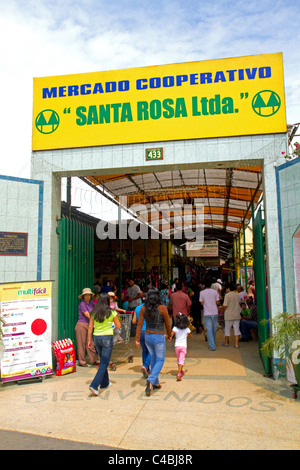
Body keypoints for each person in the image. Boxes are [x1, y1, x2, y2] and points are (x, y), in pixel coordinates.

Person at [135, 288, 172, 396]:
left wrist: (137, 339)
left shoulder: (143, 308)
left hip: (147, 336)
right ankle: (151, 380)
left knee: (153, 359)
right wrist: (169, 335)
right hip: (158, 336)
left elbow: (139, 324)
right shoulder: (162, 308)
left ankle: (155, 383)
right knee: (160, 360)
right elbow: (167, 323)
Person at [87, 293, 121, 396]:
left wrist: (89, 340)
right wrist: (115, 319)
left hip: (96, 337)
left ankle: (105, 383)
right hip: (107, 338)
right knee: (104, 363)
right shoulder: (112, 312)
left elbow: (90, 327)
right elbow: (118, 326)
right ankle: (94, 385)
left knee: (103, 360)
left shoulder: (94, 313)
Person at [75, 288, 99, 367]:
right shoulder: (82, 304)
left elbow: (97, 310)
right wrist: (95, 320)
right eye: (86, 295)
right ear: (83, 296)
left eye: (89, 295)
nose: (88, 297)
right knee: (81, 343)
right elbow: (87, 314)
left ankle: (94, 360)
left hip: (89, 325)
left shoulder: (92, 303)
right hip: (81, 325)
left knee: (90, 342)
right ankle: (82, 361)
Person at [169, 313, 192, 381]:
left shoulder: (175, 328)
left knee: (179, 359)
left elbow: (171, 335)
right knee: (182, 360)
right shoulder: (187, 329)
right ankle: (179, 374)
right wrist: (190, 336)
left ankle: (180, 370)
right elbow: (189, 335)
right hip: (183, 346)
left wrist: (169, 338)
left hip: (177, 346)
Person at [132, 299, 151, 379]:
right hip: (149, 331)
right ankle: (145, 365)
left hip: (141, 332)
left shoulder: (137, 308)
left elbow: (133, 321)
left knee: (144, 350)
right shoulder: (150, 307)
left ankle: (146, 368)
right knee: (151, 351)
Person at [199, 279, 220, 351]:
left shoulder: (202, 292)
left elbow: (201, 303)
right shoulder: (215, 292)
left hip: (207, 313)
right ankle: (212, 343)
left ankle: (212, 345)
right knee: (214, 329)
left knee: (209, 329)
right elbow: (217, 302)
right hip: (215, 312)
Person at [222, 283, 241, 348]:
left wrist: (222, 308)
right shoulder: (237, 295)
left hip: (229, 315)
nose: (226, 290)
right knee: (236, 330)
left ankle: (226, 343)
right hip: (236, 315)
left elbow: (225, 305)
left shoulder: (227, 295)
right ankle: (236, 344)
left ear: (229, 288)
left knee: (227, 329)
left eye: (226, 288)